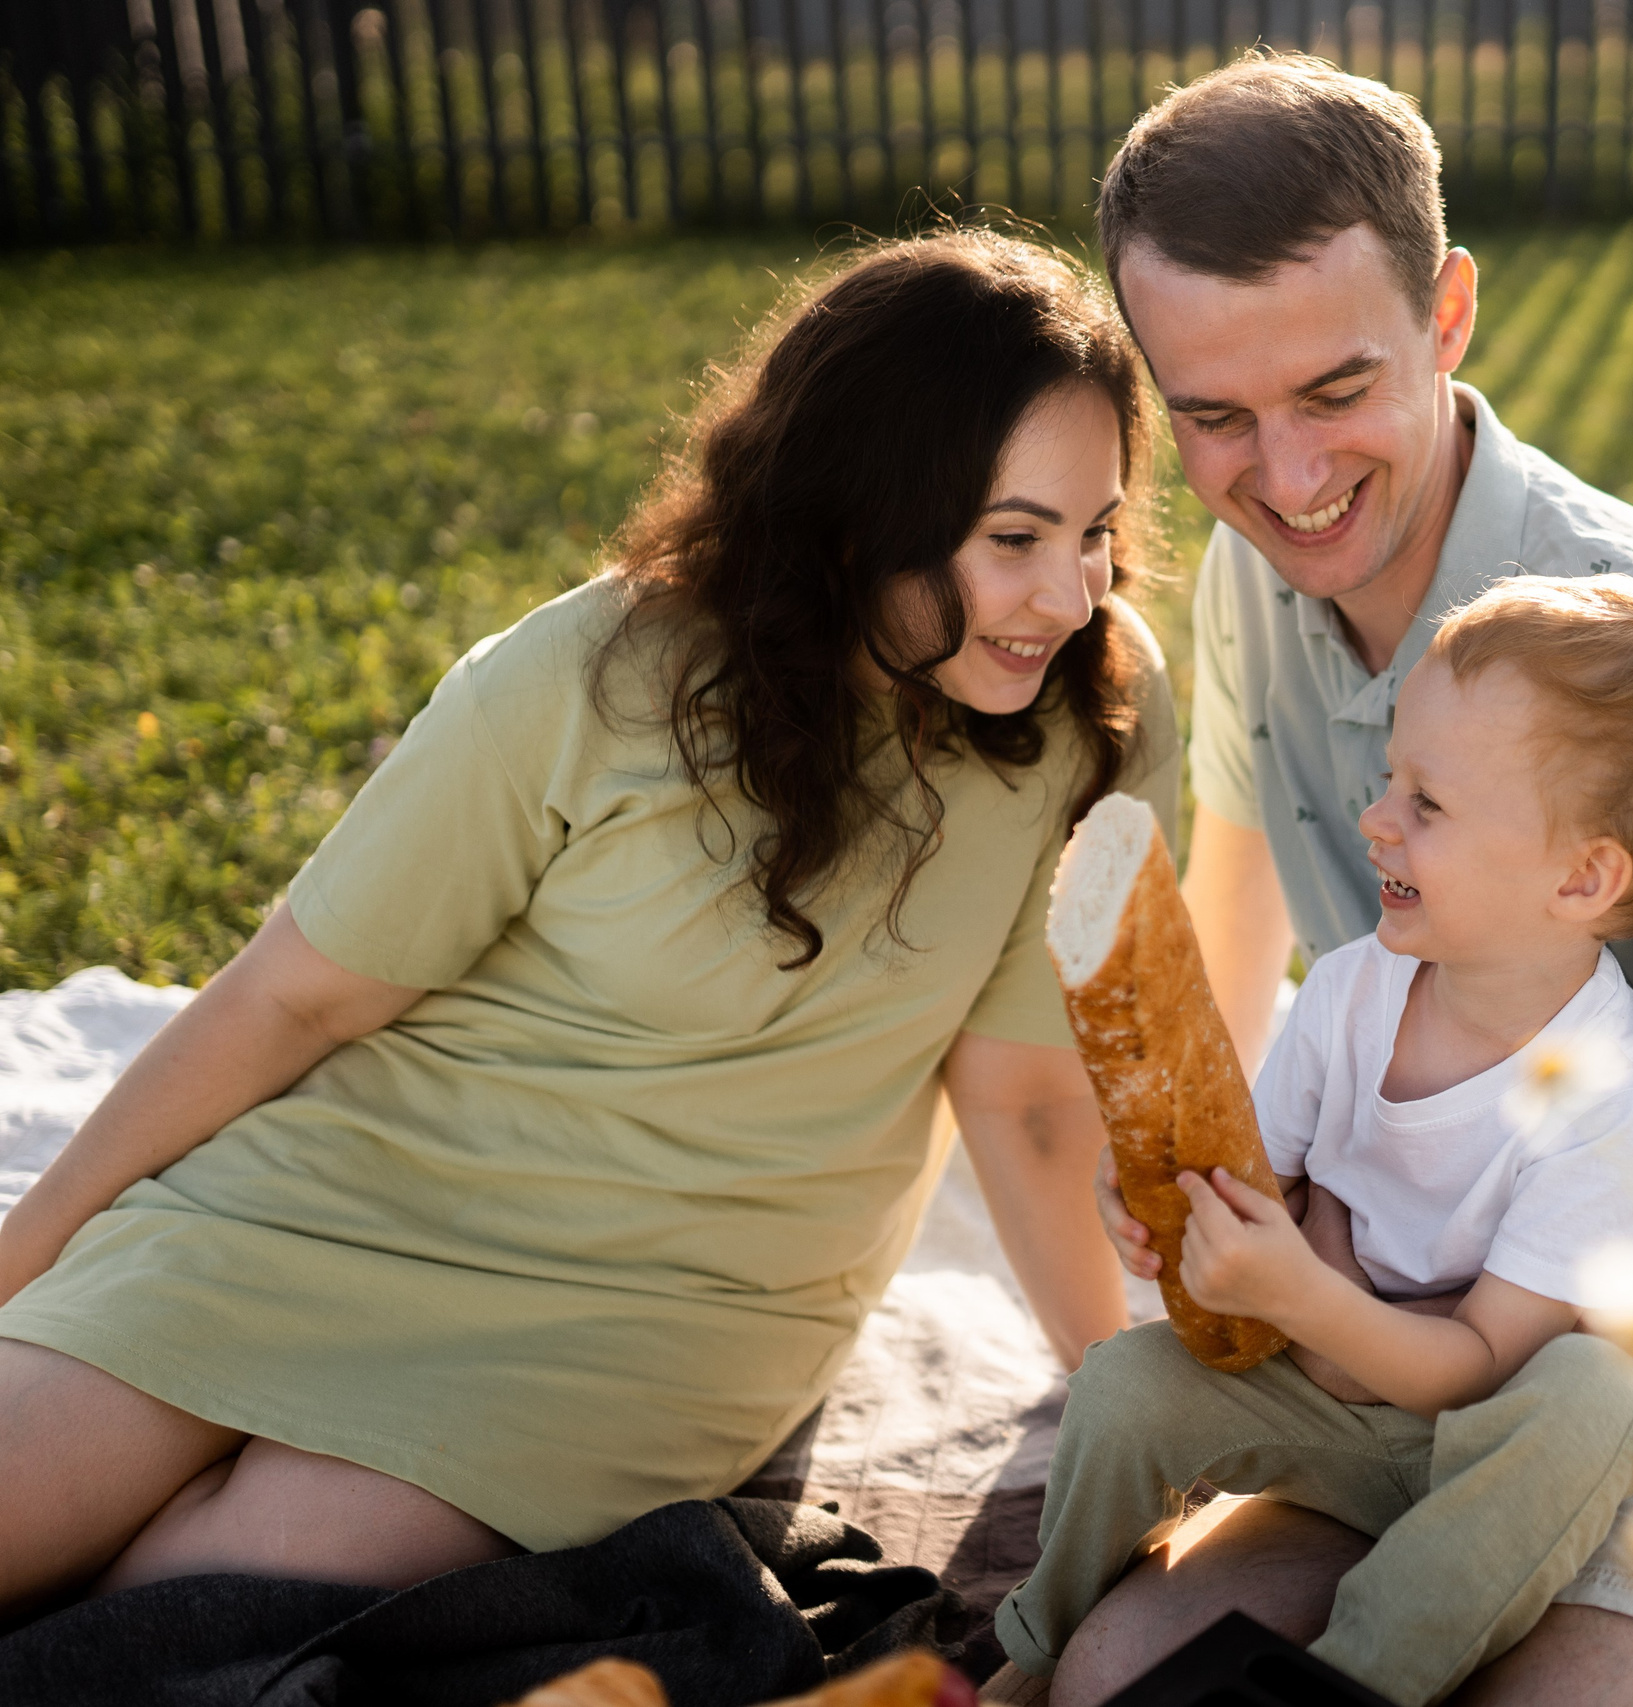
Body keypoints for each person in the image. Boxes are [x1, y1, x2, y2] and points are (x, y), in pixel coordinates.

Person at [0, 231, 1174, 1613]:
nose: (1071, 592)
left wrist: (1128, 1428)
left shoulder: (1094, 709)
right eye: (1015, 538)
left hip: (669, 1316)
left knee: (194, 1604)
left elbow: (1027, 1101)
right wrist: (28, 1258)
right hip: (335, 1200)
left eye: (1094, 532)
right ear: (854, 514)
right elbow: (293, 997)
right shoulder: (584, 670)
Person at [1068, 55, 1633, 1707]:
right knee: (1125, 1671)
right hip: (1426, 1308)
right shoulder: (1260, 583)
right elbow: (1235, 933)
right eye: (1212, 415)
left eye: (1337, 391)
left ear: (1450, 316)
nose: (1282, 475)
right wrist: (1214, 1177)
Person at [1000, 576, 1633, 1705]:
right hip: (1328, 1402)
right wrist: (1179, 1204)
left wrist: (1307, 1296)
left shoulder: (1602, 1102)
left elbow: (1476, 1369)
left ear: (1583, 876)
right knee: (1124, 1385)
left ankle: (1356, 1679)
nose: (1377, 819)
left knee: (1600, 1397)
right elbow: (1258, 1179)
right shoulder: (1355, 991)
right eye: (1388, 779)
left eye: (1429, 803)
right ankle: (1031, 1647)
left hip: (1480, 1457)